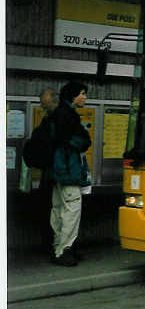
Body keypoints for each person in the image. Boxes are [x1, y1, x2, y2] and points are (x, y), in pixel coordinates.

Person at [48, 81, 91, 266]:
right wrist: (83, 140)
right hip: (67, 170)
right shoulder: (68, 116)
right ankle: (65, 250)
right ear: (73, 96)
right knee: (72, 209)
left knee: (58, 210)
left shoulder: (57, 114)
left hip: (57, 171)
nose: (85, 97)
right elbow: (78, 141)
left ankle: (58, 248)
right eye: (82, 93)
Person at [36, 87, 59, 255]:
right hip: (50, 171)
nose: (43, 108)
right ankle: (50, 243)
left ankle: (52, 244)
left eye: (45, 104)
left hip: (53, 172)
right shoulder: (50, 119)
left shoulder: (55, 120)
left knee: (53, 210)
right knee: (50, 209)